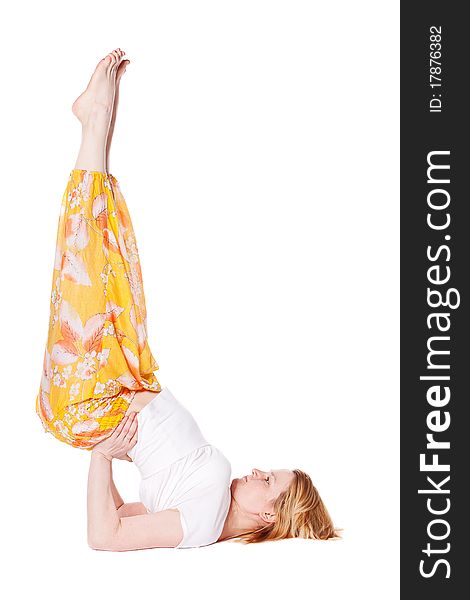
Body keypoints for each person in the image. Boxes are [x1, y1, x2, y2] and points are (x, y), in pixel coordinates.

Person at [36, 49, 340, 551]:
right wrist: (106, 457)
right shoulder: (207, 502)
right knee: (114, 261)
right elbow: (118, 511)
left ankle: (94, 123)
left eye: (270, 480)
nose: (259, 469)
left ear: (268, 513)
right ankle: (97, 123)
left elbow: (104, 535)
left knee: (86, 260)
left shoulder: (201, 522)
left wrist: (101, 454)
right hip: (121, 381)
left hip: (94, 398)